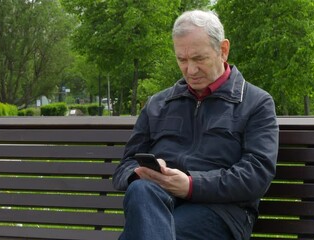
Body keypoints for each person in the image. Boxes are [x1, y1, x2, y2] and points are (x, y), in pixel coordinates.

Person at [113, 9, 279, 240]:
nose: (190, 70)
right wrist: (141, 174)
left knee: (161, 232)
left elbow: (256, 174)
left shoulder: (256, 103)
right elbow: (124, 168)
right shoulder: (158, 104)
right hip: (157, 204)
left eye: (199, 59)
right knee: (141, 190)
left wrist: (192, 185)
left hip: (222, 212)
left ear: (223, 50)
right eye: (182, 60)